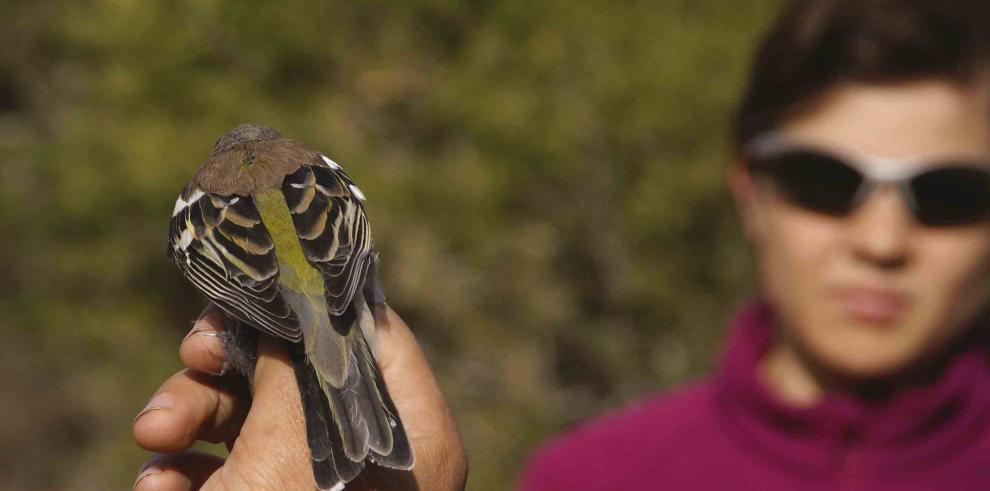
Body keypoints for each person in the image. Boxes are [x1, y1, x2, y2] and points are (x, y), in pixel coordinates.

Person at [133, 0, 990, 489]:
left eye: (949, 194)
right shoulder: (591, 475)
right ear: (749, 191)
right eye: (824, 181)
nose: (883, 240)